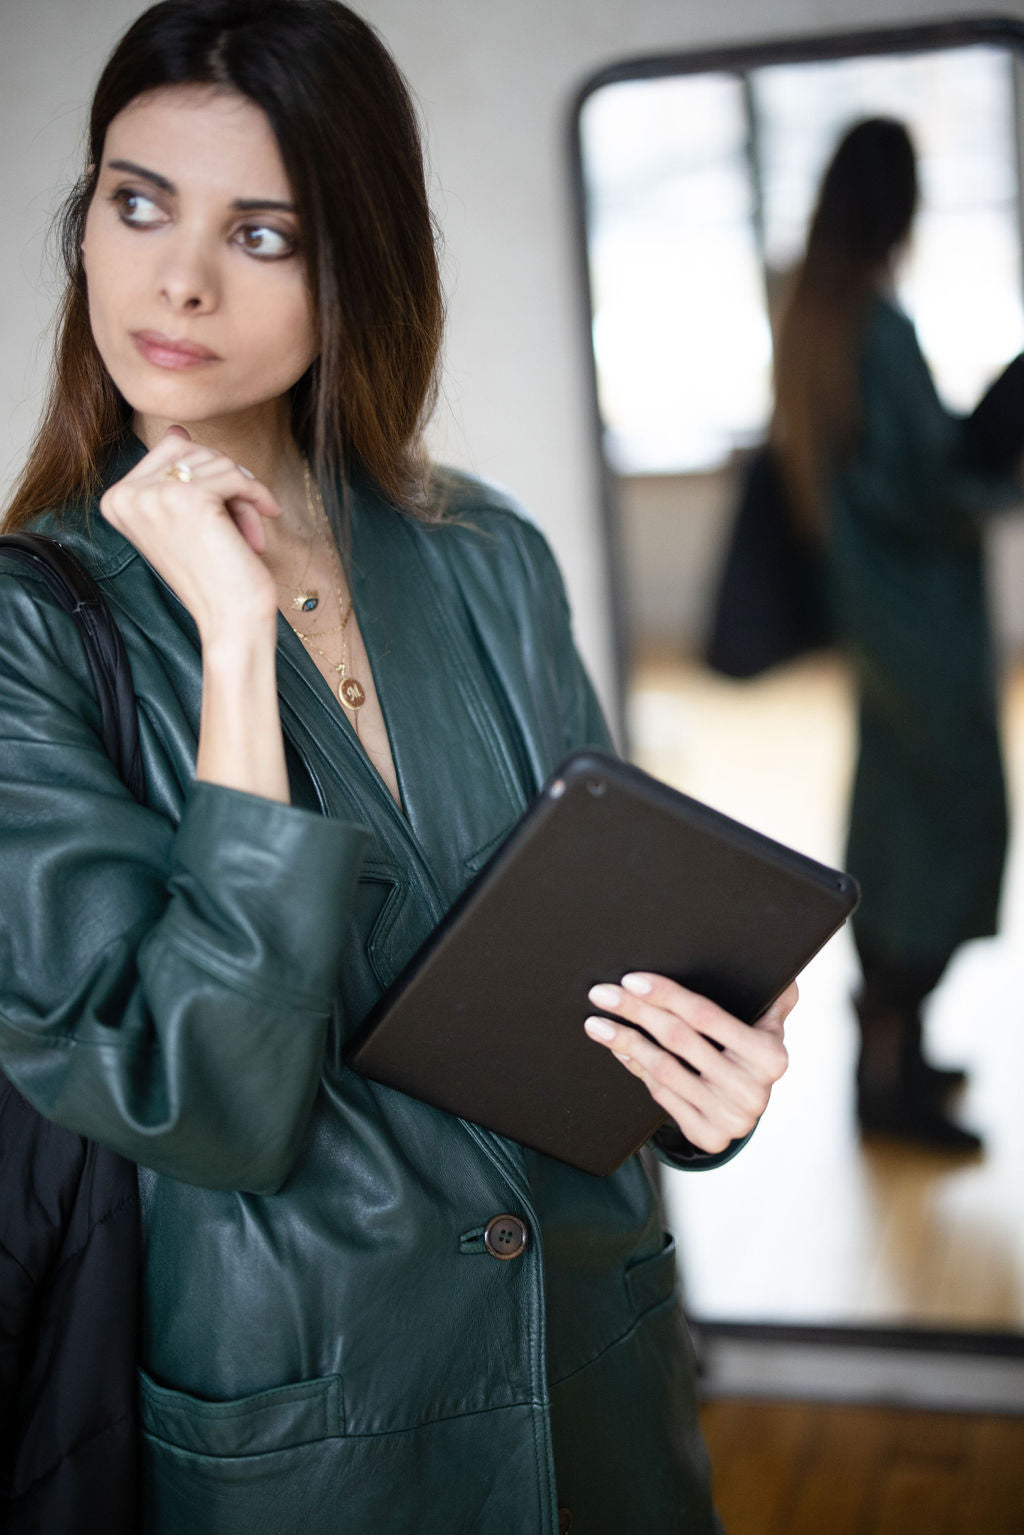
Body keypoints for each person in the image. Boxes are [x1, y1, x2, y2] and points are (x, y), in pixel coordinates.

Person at [0, 3, 794, 1530]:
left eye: (265, 233)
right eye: (136, 200)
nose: (176, 278)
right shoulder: (38, 623)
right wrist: (235, 645)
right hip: (313, 1423)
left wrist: (705, 1081)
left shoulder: (483, 548)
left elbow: (586, 952)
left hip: (593, 1368)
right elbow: (203, 1099)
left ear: (355, 258)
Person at [772, 117, 1018, 1154]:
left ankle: (897, 1047)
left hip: (872, 611)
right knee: (945, 816)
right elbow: (921, 487)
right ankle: (886, 1078)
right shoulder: (874, 324)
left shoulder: (812, 315)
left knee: (895, 816)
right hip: (920, 617)